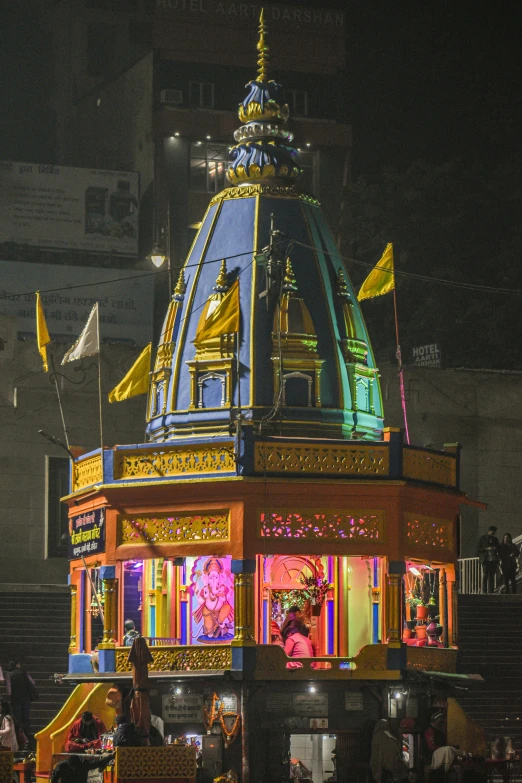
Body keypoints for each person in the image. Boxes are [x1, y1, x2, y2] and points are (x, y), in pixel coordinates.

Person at [6, 660, 35, 736]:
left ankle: (19, 735)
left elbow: (9, 689)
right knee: (26, 717)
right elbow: (32, 682)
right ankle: (27, 734)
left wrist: (9, 696)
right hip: (26, 698)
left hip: (15, 699)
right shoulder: (24, 672)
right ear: (17, 665)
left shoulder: (9, 674)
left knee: (17, 718)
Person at [477, 526, 500, 593]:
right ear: (489, 531)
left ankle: (491, 591)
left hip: (493, 559)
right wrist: (486, 549)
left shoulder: (495, 539)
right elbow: (478, 548)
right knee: (485, 575)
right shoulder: (482, 538)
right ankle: (484, 590)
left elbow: (498, 547)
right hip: (486, 559)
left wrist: (495, 548)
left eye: (494, 533)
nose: (493, 534)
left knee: (492, 576)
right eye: (492, 532)